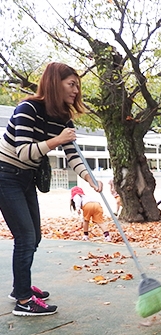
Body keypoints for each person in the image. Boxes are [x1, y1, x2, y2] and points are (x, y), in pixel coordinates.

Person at [0, 62, 103, 316]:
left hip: (26, 178)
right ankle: (24, 301)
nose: (76, 90)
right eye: (71, 84)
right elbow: (24, 151)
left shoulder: (62, 118)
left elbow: (73, 155)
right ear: (55, 84)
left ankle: (19, 287)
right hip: (6, 175)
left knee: (34, 236)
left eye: (77, 85)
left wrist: (90, 179)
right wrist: (58, 139)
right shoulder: (27, 109)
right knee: (24, 236)